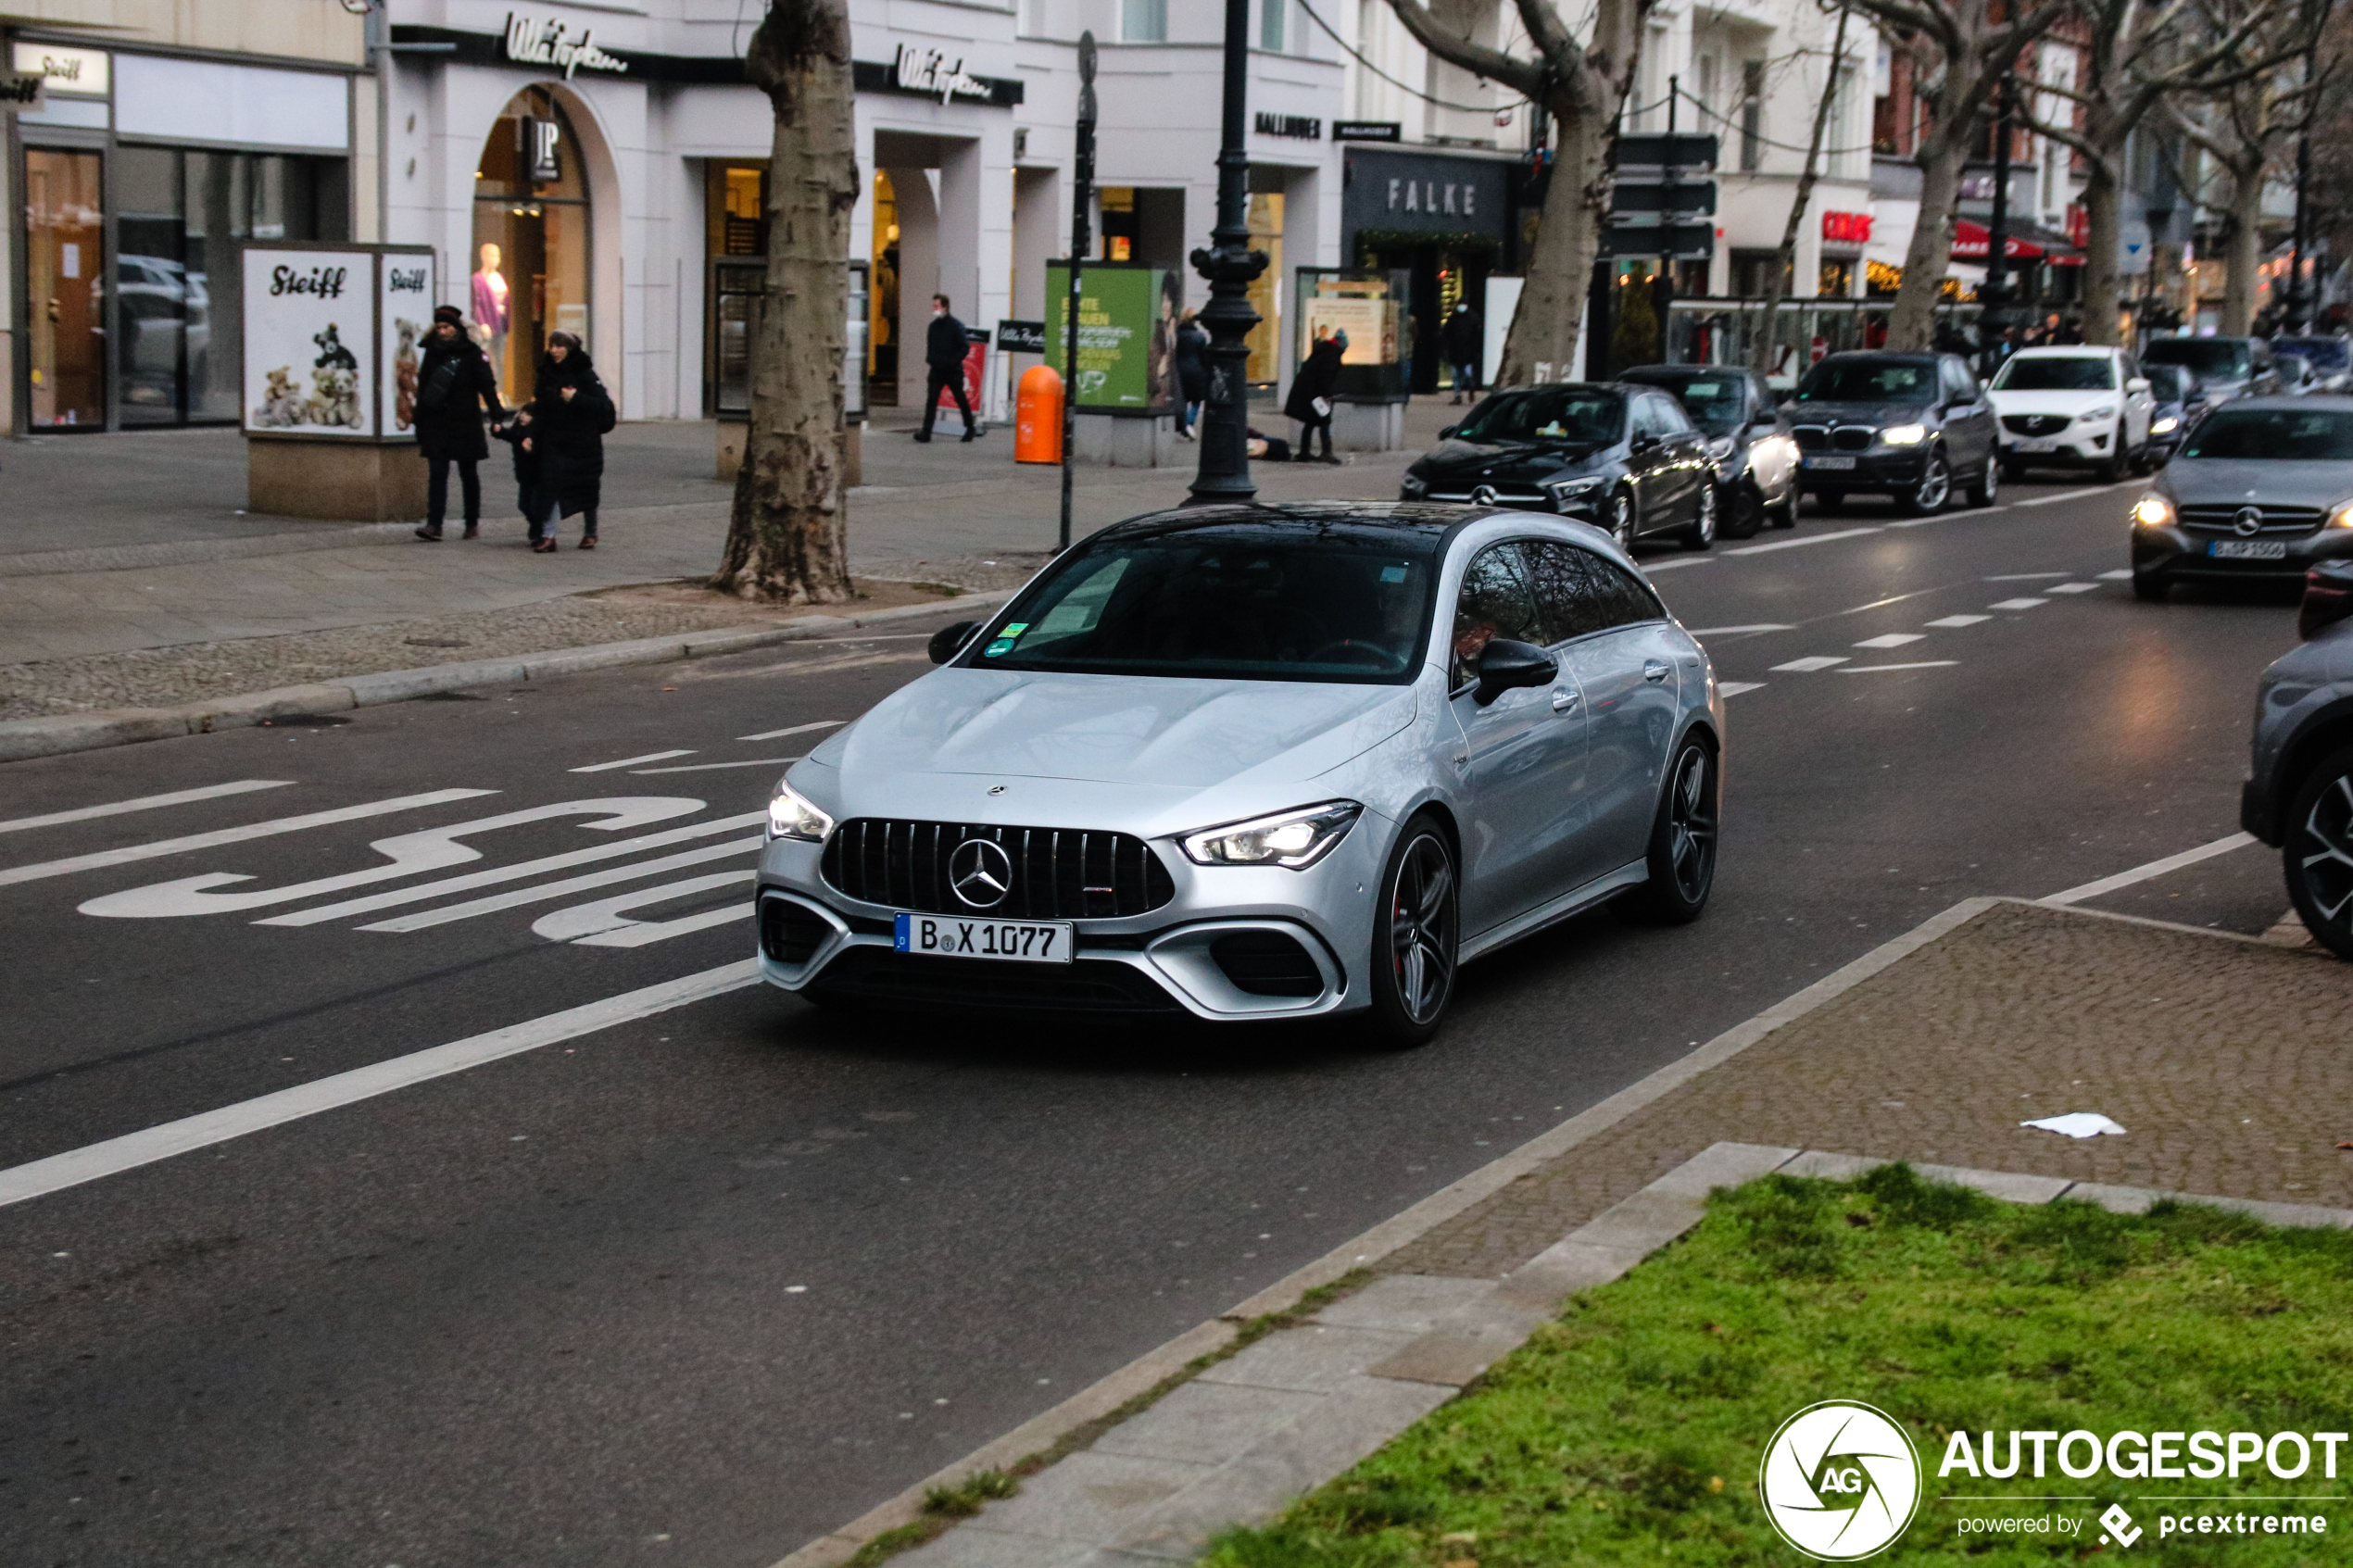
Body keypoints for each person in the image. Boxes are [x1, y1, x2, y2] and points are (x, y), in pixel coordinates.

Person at [411, 305, 504, 542]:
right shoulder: (431, 352)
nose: (442, 332)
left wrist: (496, 414)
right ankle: (434, 525)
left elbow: (487, 384)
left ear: (456, 328)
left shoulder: (471, 353)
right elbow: (423, 388)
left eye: (447, 327)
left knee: (468, 473)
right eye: (439, 327)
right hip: (437, 421)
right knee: (437, 473)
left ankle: (471, 523)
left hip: (465, 422)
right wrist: (419, 419)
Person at [524, 330, 615, 552]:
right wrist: (531, 434)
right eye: (552, 345)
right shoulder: (545, 372)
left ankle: (590, 532)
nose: (554, 350)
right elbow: (541, 409)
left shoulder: (584, 372)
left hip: (583, 441)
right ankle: (548, 536)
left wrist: (576, 398)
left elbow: (603, 405)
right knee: (550, 485)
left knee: (586, 488)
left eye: (560, 346)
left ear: (570, 348)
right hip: (554, 440)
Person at [917, 293, 981, 443]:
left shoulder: (955, 326)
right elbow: (930, 346)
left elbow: (964, 347)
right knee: (931, 400)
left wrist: (952, 361)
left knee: (960, 398)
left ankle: (970, 427)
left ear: (945, 307)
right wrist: (931, 359)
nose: (934, 309)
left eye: (937, 306)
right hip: (936, 369)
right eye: (933, 306)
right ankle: (926, 432)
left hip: (952, 370)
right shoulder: (933, 326)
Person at [1286, 328, 1346, 463]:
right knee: (1324, 420)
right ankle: (1326, 451)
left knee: (1311, 421)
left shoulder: (1323, 351)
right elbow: (1325, 376)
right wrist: (1326, 395)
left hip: (1308, 392)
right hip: (1315, 394)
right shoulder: (1332, 355)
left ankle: (1304, 452)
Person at [1175, 307, 1211, 440]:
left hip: (1179, 370)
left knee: (1182, 399)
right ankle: (1188, 424)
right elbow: (1204, 357)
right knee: (1196, 401)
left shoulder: (1176, 335)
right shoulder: (1200, 337)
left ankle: (1184, 425)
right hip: (1196, 371)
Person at [1440, 302, 1483, 404]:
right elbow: (1446, 334)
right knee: (1457, 375)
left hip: (1465, 352)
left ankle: (1468, 389)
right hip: (1458, 351)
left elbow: (1476, 337)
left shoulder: (1469, 318)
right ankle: (1458, 395)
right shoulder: (1457, 318)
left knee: (1464, 374)